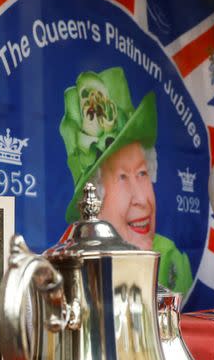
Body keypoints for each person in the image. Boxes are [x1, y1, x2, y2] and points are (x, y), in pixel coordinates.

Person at [59, 67, 193, 293]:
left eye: (142, 174)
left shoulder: (172, 261)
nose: (142, 199)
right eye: (122, 178)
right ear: (94, 205)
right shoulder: (72, 270)